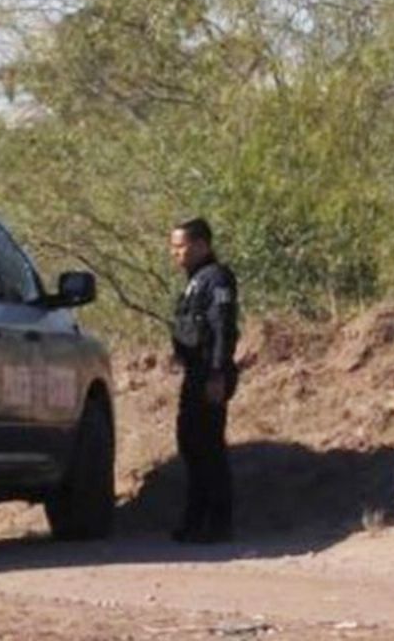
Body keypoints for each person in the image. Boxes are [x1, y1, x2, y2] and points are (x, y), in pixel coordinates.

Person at [168, 217, 239, 543]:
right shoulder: (195, 280)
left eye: (181, 246)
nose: (175, 253)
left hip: (210, 373)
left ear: (201, 244)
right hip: (195, 372)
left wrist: (217, 373)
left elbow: (223, 328)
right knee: (191, 444)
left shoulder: (217, 278)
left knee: (209, 448)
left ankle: (218, 523)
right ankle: (195, 519)